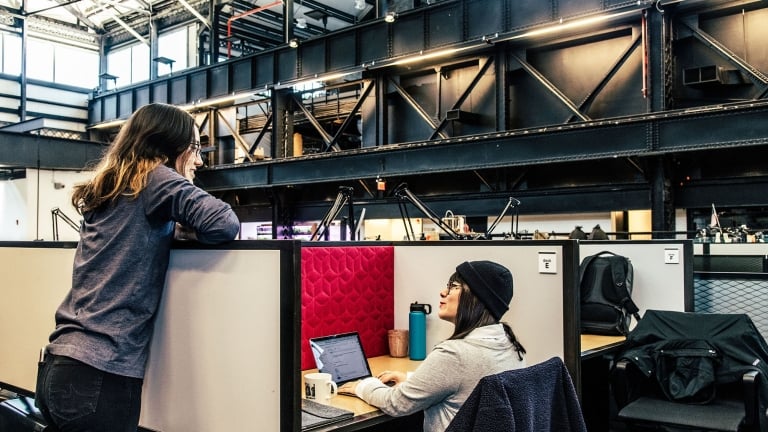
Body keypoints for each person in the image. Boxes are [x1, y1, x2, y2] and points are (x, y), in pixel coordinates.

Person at [35, 103, 241, 432]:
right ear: (170, 147)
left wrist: (172, 228)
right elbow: (223, 222)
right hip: (100, 377)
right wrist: (185, 226)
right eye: (194, 149)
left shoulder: (115, 186)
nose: (199, 161)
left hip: (59, 366)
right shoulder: (156, 178)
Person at [339, 260, 527, 431]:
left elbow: (396, 403)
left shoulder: (455, 354)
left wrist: (363, 385)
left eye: (453, 287)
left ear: (476, 298)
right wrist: (411, 379)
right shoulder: (510, 346)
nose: (443, 292)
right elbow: (464, 383)